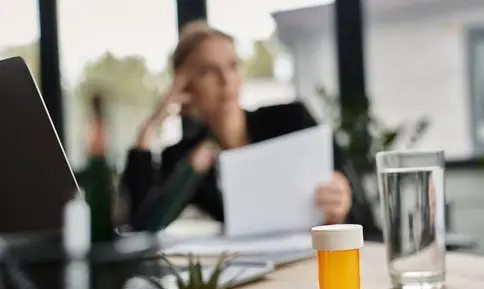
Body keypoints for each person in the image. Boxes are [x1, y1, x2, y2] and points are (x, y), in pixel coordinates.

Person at [122, 20, 353, 231]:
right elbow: (143, 227)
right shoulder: (184, 157)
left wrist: (341, 200)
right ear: (184, 86)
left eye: (232, 65)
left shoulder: (292, 119)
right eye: (208, 71)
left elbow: (351, 194)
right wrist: (149, 129)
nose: (226, 80)